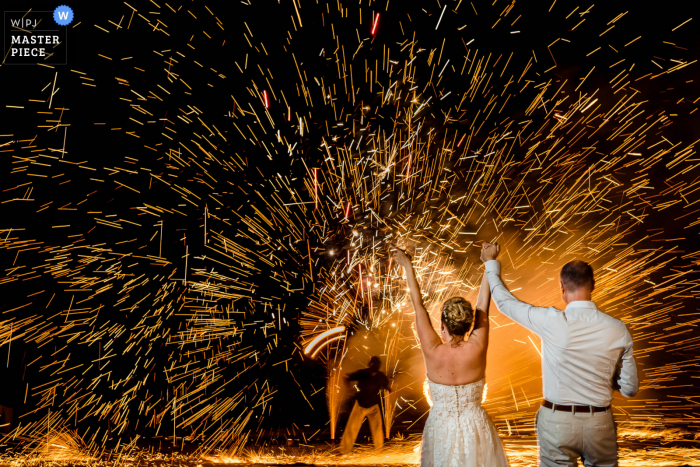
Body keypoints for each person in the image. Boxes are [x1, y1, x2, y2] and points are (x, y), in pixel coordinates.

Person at [480, 242, 639, 467]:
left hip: (557, 421)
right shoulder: (618, 329)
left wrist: (490, 264)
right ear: (593, 285)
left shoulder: (550, 321)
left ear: (562, 287)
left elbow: (505, 304)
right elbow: (630, 389)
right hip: (600, 423)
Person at [391, 243, 510, 467]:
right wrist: (489, 263)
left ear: (442, 324)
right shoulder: (477, 346)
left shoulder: (432, 351)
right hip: (476, 427)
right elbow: (483, 305)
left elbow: (418, 306)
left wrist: (407, 266)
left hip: (441, 428)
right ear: (468, 325)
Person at [339, 356, 390, 454]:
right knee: (352, 428)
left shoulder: (381, 376)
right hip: (360, 405)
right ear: (370, 364)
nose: (374, 366)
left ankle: (379, 451)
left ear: (379, 366)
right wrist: (349, 389)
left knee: (377, 429)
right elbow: (346, 377)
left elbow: (386, 386)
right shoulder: (362, 373)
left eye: (376, 364)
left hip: (374, 406)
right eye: (373, 364)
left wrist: (389, 389)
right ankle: (344, 451)